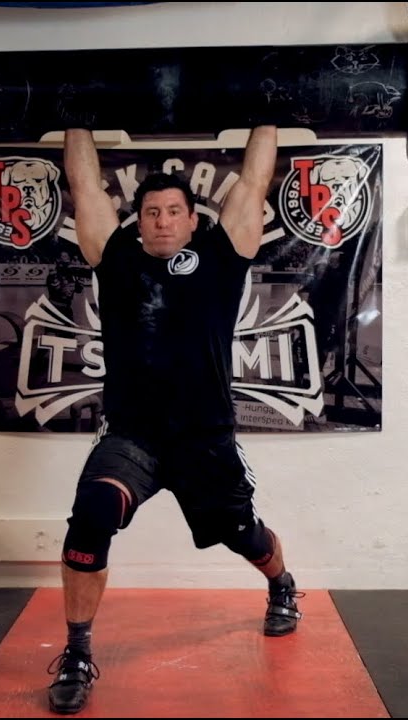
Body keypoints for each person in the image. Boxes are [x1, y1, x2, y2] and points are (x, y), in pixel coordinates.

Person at [46, 126, 302, 714]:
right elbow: (84, 186)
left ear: (193, 220)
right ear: (139, 221)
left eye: (173, 212)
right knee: (90, 517)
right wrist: (71, 115)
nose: (162, 220)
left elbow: (255, 180)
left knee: (246, 537)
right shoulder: (115, 260)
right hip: (132, 436)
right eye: (152, 212)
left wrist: (271, 111)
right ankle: (78, 652)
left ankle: (281, 586)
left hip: (205, 440)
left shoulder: (222, 256)